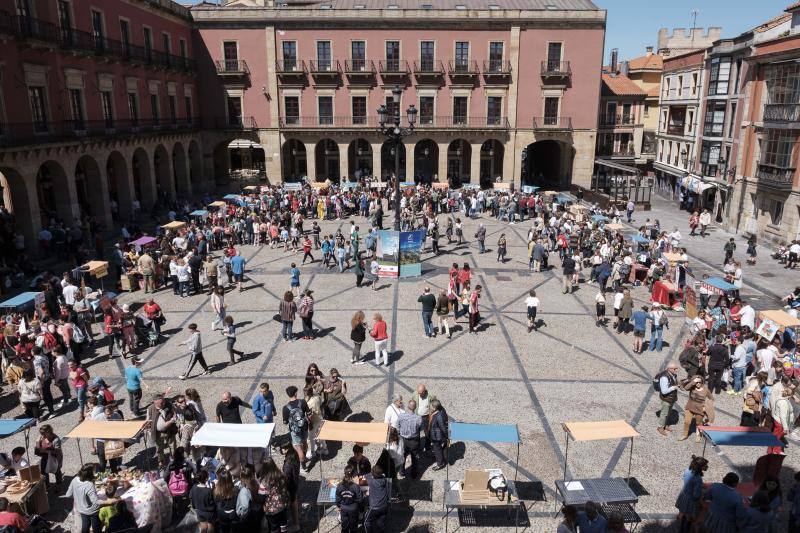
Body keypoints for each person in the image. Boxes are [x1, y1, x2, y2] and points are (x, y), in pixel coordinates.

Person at [283, 385, 311, 471]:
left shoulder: (285, 408)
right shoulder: (302, 402)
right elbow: (309, 414)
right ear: (296, 393)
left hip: (295, 431)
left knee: (298, 448)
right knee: (305, 442)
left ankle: (304, 467)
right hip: (304, 427)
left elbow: (285, 422)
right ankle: (305, 457)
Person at [259, 457, 290, 532]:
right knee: (283, 525)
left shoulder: (264, 482)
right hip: (283, 504)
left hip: (271, 509)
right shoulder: (281, 474)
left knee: (274, 528)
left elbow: (261, 498)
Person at [679, 375, 711, 442]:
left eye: (699, 382)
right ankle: (685, 435)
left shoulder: (705, 390)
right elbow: (685, 388)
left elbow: (711, 399)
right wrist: (693, 382)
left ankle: (698, 435)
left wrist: (706, 407)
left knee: (698, 423)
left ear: (702, 382)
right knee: (687, 422)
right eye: (696, 382)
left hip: (700, 410)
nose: (698, 384)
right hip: (689, 407)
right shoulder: (692, 387)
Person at [397, 399, 423, 479]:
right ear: (415, 408)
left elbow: (397, 427)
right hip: (414, 441)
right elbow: (420, 428)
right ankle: (414, 474)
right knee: (415, 458)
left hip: (403, 440)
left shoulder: (401, 416)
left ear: (408, 406)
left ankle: (401, 472)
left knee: (402, 457)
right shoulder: (418, 418)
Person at [335, 465, 362, 533]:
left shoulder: (339, 486)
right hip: (353, 508)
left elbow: (337, 499)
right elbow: (360, 499)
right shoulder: (355, 486)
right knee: (353, 527)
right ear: (353, 475)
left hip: (343, 508)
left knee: (344, 527)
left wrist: (340, 506)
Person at [281, 444, 302, 531]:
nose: (281, 450)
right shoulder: (294, 455)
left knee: (292, 504)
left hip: (290, 486)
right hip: (295, 483)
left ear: (285, 448)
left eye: (282, 448)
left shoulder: (288, 464)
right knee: (294, 501)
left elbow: (286, 477)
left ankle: (296, 524)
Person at [364, 465, 389, 533]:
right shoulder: (384, 479)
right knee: (381, 523)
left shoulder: (371, 481)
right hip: (385, 505)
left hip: (374, 507)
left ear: (373, 474)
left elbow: (365, 476)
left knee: (366, 522)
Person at [656, 361, 679, 436]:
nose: (676, 370)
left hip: (671, 398)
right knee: (664, 414)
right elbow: (664, 391)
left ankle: (665, 425)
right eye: (675, 369)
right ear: (669, 369)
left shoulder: (673, 375)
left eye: (676, 368)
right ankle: (660, 427)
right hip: (666, 399)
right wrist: (673, 387)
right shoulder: (664, 378)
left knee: (668, 413)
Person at [429, 398, 448, 470]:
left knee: (437, 449)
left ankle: (440, 463)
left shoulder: (439, 415)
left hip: (437, 436)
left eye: (431, 406)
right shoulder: (439, 410)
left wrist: (446, 436)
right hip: (435, 434)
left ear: (434, 407)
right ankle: (438, 457)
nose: (430, 407)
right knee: (437, 448)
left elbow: (443, 427)